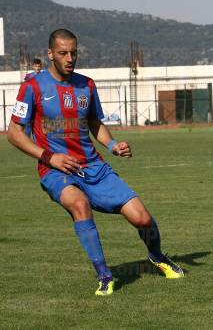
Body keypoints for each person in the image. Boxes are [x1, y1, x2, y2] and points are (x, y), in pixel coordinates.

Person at [7, 29, 184, 296]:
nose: (70, 58)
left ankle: (157, 256)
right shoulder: (32, 87)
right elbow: (14, 133)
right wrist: (49, 157)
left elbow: (93, 123)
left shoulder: (86, 85)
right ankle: (104, 275)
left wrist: (113, 145)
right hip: (56, 170)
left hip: (93, 167)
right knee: (79, 204)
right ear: (50, 54)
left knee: (143, 219)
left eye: (74, 53)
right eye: (63, 53)